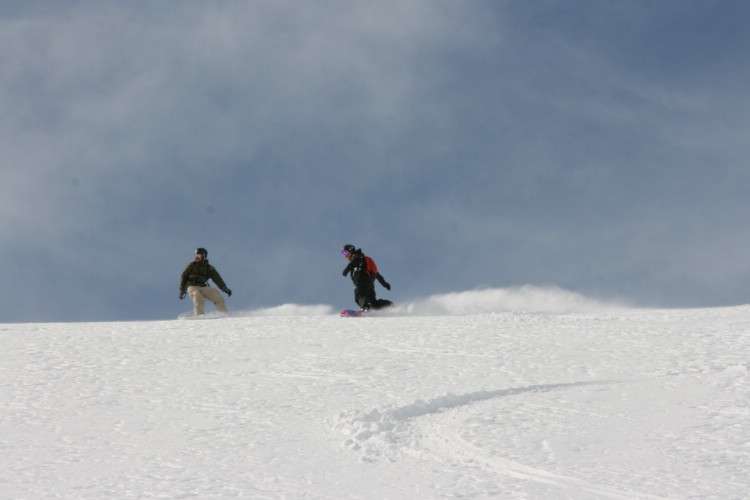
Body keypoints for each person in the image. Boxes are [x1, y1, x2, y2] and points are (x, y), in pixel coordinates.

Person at [179, 247, 232, 316]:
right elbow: (184, 276)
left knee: (218, 297)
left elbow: (217, 279)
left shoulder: (209, 268)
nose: (196, 257)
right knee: (197, 296)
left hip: (203, 287)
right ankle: (199, 315)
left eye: (198, 255)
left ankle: (223, 314)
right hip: (192, 286)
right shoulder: (192, 265)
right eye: (196, 255)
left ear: (204, 256)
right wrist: (182, 289)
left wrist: (224, 288)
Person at [341, 244, 393, 311]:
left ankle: (365, 308)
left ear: (351, 250)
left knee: (359, 296)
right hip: (370, 284)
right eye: (342, 253)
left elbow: (356, 260)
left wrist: (347, 269)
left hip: (361, 282)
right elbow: (376, 274)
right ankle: (388, 305)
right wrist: (384, 284)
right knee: (373, 303)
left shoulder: (357, 257)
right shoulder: (364, 261)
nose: (344, 255)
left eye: (345, 252)